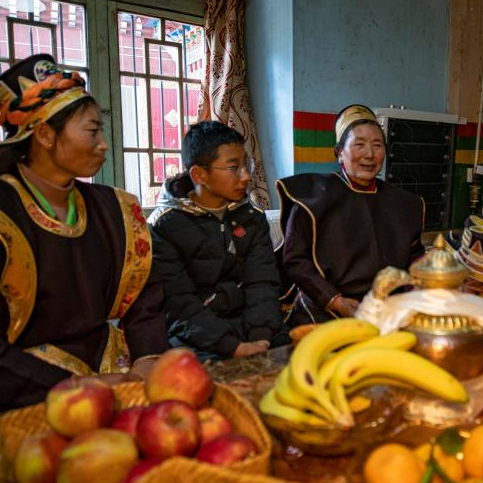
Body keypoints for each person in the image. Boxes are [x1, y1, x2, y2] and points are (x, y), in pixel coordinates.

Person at [0, 54, 170, 412]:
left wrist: (148, 356)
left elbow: (143, 294)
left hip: (118, 371)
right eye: (92, 131)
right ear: (44, 134)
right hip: (26, 388)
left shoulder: (113, 209)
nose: (103, 143)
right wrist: (77, 387)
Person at [148, 121, 288, 359]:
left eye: (246, 165)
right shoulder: (164, 226)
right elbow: (178, 304)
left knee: (296, 361)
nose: (245, 176)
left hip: (251, 324)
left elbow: (262, 283)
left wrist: (261, 336)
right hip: (196, 333)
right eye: (234, 167)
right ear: (199, 175)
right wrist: (232, 347)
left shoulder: (251, 218)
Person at [277, 104, 425, 324]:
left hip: (389, 307)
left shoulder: (403, 202)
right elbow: (295, 260)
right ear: (339, 153)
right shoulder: (311, 199)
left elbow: (414, 253)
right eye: (359, 144)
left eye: (377, 145)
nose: (370, 154)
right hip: (326, 308)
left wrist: (428, 277)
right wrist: (334, 300)